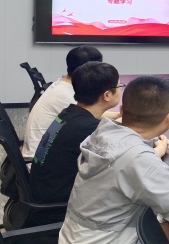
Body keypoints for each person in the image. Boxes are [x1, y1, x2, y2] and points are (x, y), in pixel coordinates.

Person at [59, 76, 169, 244]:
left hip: (74, 236)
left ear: (122, 110)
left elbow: (125, 158)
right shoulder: (139, 160)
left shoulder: (102, 132)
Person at [29, 61, 123, 222]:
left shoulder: (69, 113)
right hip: (58, 209)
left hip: (43, 192)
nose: (121, 90)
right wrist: (159, 148)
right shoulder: (88, 129)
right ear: (107, 95)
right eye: (120, 87)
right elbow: (127, 163)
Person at [22, 45, 118, 160]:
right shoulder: (67, 95)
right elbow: (94, 116)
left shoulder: (63, 85)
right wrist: (124, 117)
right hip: (37, 158)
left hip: (44, 151)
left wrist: (119, 115)